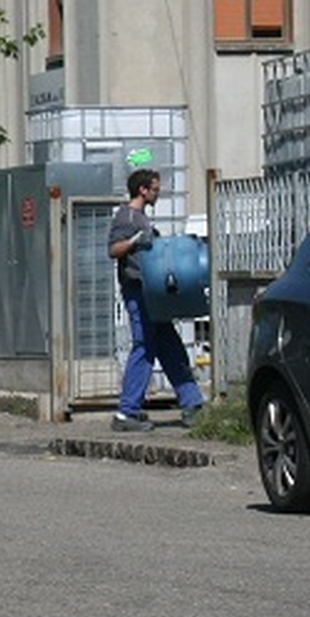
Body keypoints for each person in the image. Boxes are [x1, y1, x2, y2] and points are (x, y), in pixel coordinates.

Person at [106, 167, 204, 431]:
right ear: (143, 190)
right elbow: (113, 249)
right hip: (138, 291)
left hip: (151, 291)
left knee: (169, 345)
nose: (157, 193)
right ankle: (126, 413)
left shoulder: (141, 217)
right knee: (145, 347)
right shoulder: (127, 216)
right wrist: (134, 241)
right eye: (155, 189)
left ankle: (192, 403)